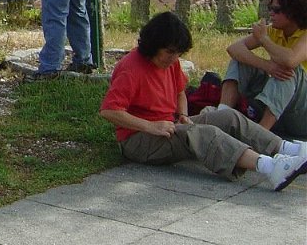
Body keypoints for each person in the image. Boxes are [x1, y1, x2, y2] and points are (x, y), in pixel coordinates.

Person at [100, 11, 307, 191]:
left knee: (228, 116)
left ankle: (290, 151)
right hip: (137, 139)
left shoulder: (170, 63)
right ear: (153, 45)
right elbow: (109, 111)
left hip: (167, 126)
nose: (174, 58)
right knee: (203, 133)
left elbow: (180, 92)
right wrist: (150, 126)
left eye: (178, 53)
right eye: (169, 52)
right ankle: (271, 167)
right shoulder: (130, 68)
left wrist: (183, 115)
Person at [221, 0, 307, 139]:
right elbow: (234, 48)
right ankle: (222, 115)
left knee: (287, 70)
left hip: (301, 113)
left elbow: (291, 59)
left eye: (277, 10)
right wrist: (267, 66)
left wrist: (263, 39)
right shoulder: (273, 31)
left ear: (293, 11)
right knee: (240, 59)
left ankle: (259, 135)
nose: (271, 13)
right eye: (270, 8)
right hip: (279, 107)